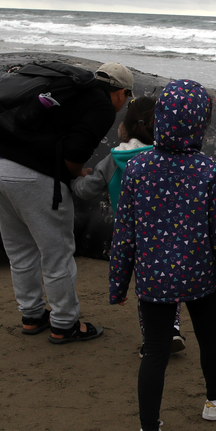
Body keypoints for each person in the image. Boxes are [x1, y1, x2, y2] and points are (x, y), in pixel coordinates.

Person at [109, 79, 216, 431]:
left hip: (154, 278)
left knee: (154, 352)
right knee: (209, 339)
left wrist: (119, 283)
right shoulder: (212, 172)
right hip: (200, 276)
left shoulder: (137, 170)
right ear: (201, 123)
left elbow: (125, 233)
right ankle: (215, 401)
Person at [0, 62, 133, 345]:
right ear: (122, 92)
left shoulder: (69, 90)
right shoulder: (101, 106)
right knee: (57, 252)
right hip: (32, 175)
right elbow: (75, 151)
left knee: (19, 248)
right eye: (128, 98)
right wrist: (77, 173)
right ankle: (64, 323)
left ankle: (31, 316)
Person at [71, 97, 187, 358]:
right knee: (168, 280)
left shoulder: (114, 160)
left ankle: (151, 341)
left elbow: (85, 191)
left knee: (145, 288)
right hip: (168, 231)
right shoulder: (166, 155)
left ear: (126, 125)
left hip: (131, 234)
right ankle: (173, 328)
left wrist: (71, 177)